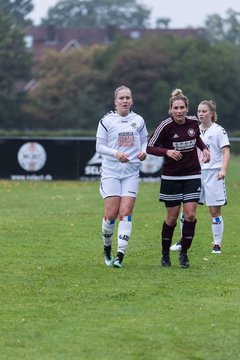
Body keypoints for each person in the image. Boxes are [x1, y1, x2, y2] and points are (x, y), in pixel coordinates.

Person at [146, 89, 210, 268]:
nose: (179, 111)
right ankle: (165, 253)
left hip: (192, 174)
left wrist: (204, 148)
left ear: (187, 108)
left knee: (190, 215)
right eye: (176, 108)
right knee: (172, 218)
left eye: (182, 107)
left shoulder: (193, 123)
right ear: (171, 109)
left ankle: (184, 254)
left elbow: (197, 138)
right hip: (171, 177)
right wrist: (167, 151)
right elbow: (149, 147)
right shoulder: (165, 126)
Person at [96, 85, 148, 268]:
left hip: (131, 172)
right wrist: (115, 153)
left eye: (128, 98)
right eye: (121, 98)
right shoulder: (106, 121)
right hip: (111, 172)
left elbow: (144, 141)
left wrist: (143, 152)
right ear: (115, 101)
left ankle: (120, 255)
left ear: (132, 100)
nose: (125, 101)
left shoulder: (138, 120)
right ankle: (107, 249)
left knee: (125, 213)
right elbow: (99, 147)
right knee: (110, 214)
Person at [171, 100, 230, 254]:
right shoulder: (193, 128)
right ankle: (183, 241)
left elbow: (226, 152)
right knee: (187, 210)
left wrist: (223, 170)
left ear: (211, 113)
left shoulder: (219, 131)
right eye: (199, 111)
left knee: (214, 211)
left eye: (204, 111)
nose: (201, 114)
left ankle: (217, 244)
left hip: (213, 174)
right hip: (194, 174)